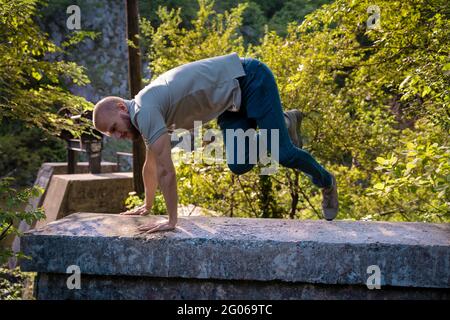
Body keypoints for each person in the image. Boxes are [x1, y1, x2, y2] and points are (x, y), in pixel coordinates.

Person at [93, 53, 338, 233]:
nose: (117, 136)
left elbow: (166, 171)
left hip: (249, 79)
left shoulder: (144, 110)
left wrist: (171, 221)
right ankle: (282, 124)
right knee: (239, 165)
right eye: (111, 134)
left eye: (114, 127)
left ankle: (326, 181)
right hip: (229, 104)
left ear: (121, 108)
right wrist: (147, 205)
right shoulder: (142, 113)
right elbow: (151, 163)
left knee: (283, 153)